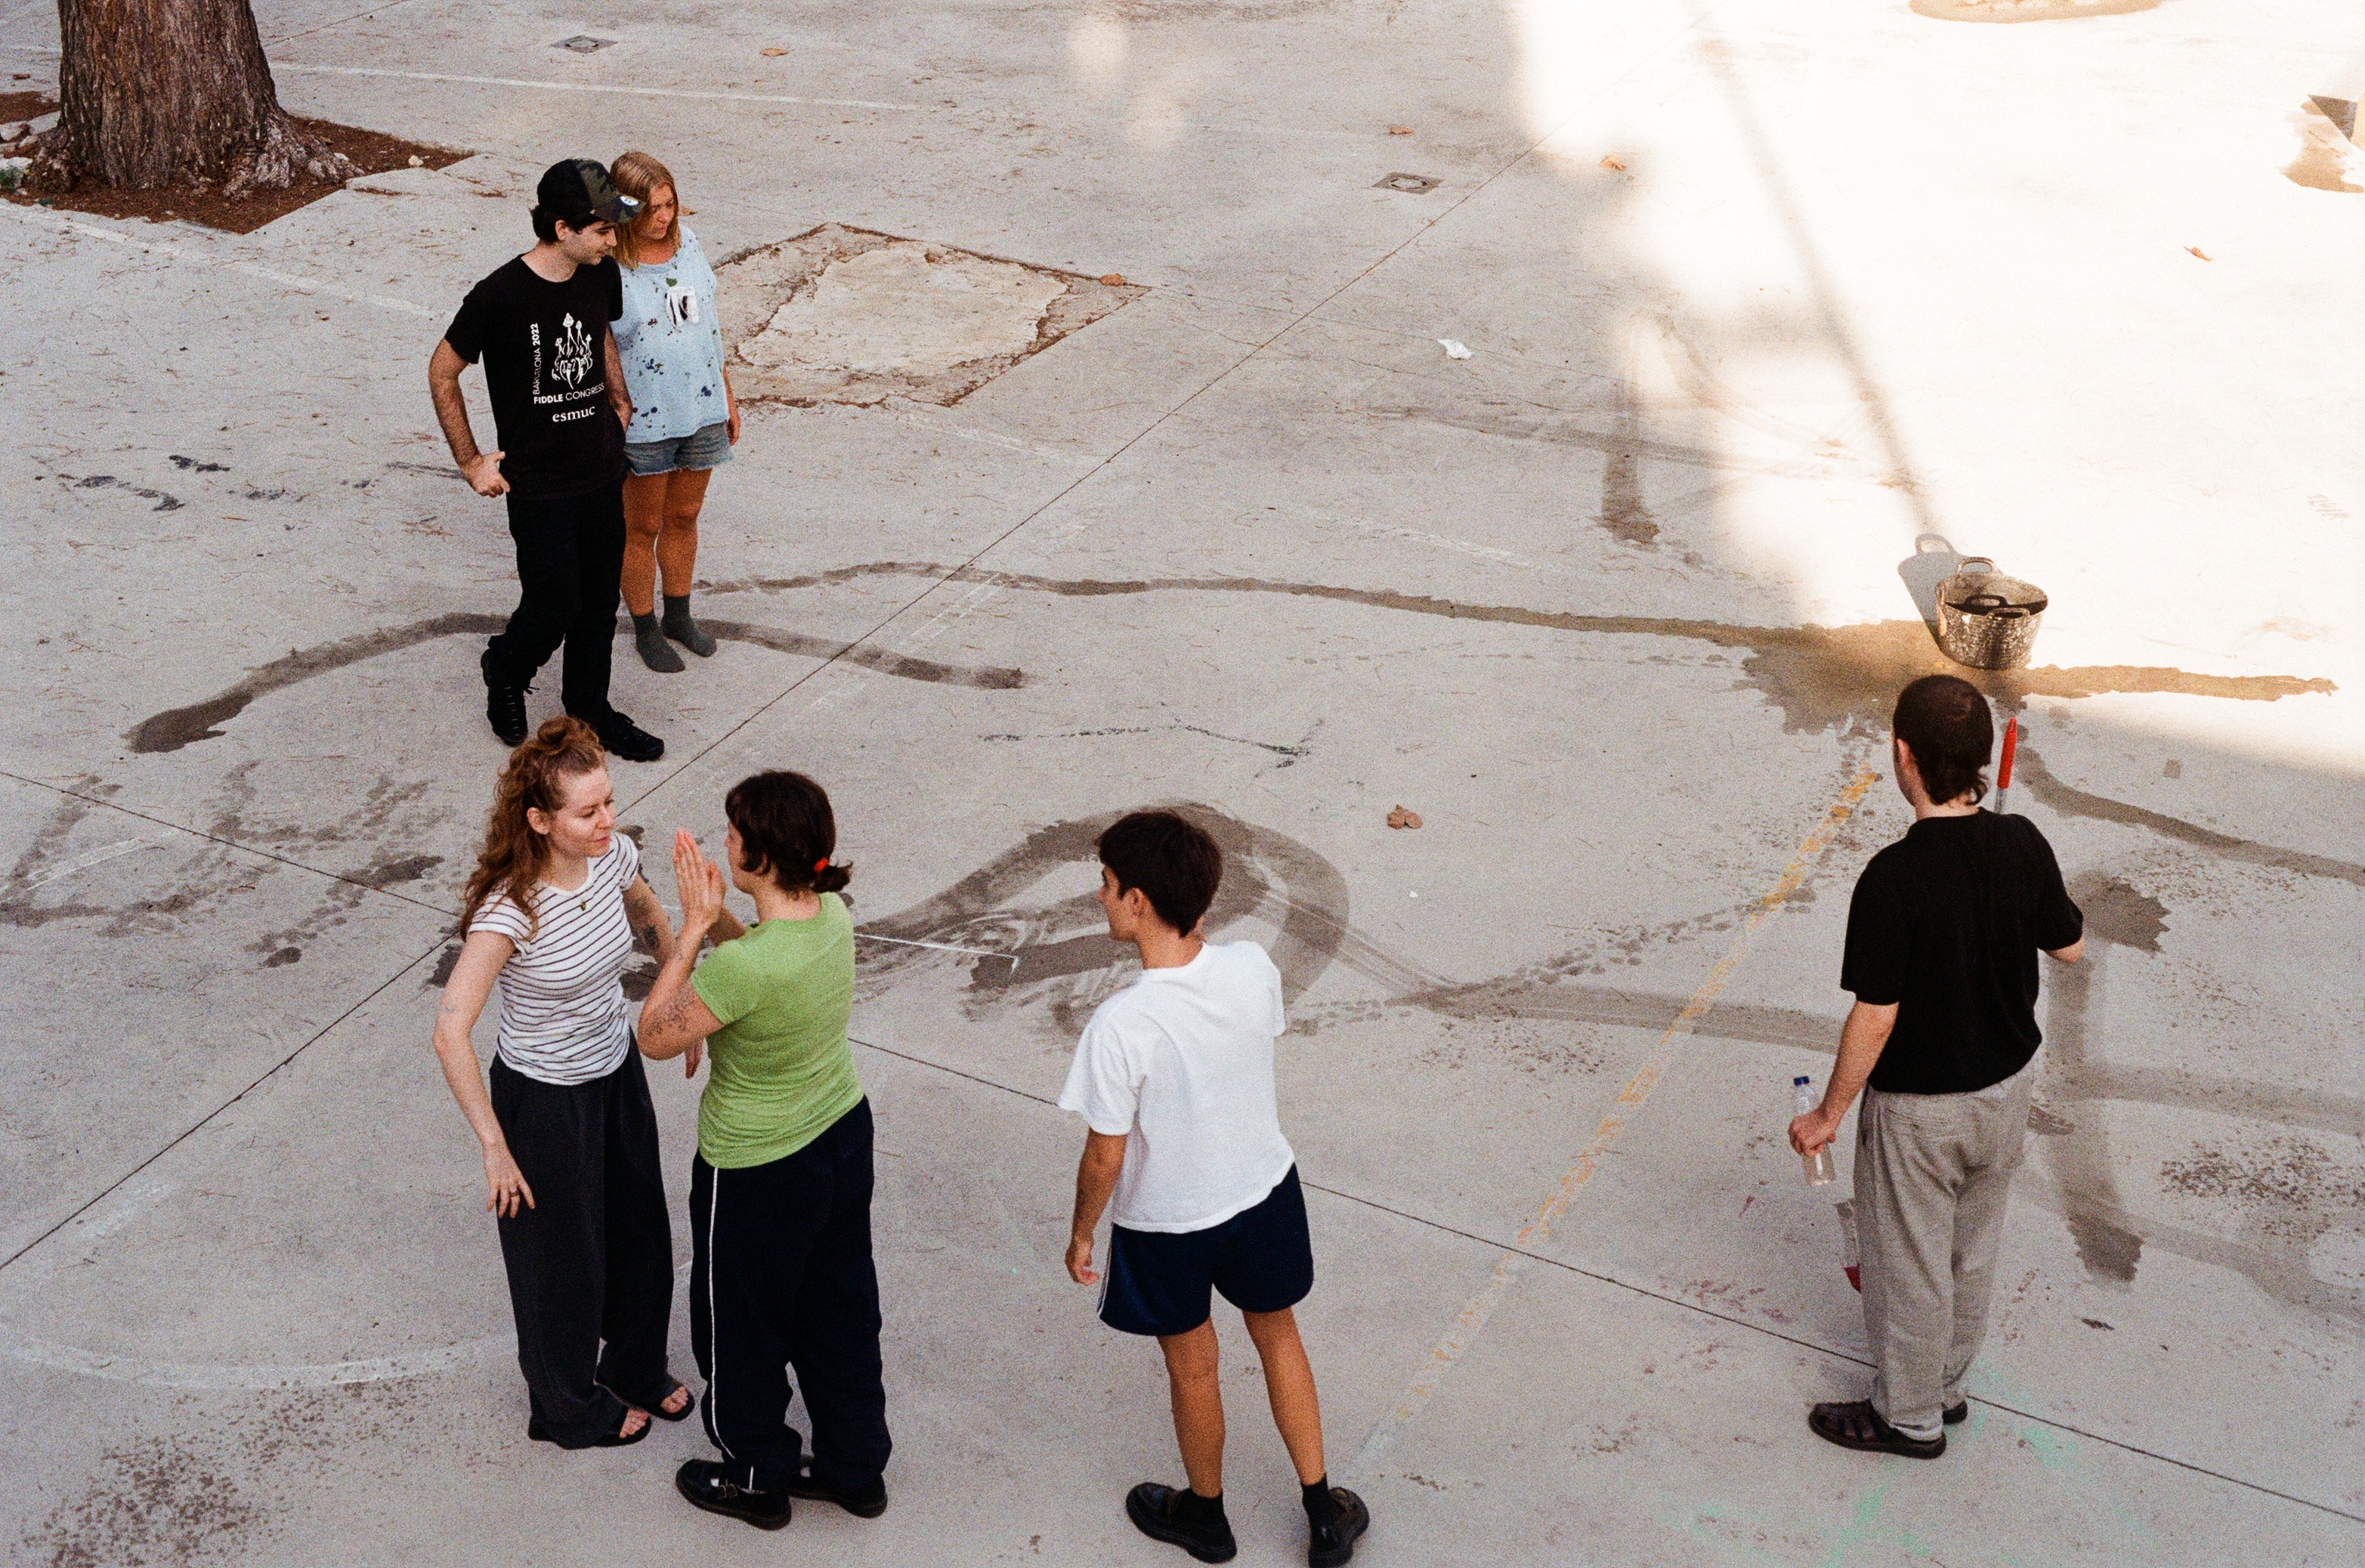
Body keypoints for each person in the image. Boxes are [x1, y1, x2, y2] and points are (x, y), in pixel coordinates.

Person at [1060, 811, 1369, 1568]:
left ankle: (1206, 1516)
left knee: (1193, 1364)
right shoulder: (1252, 968)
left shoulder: (1121, 1024)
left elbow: (1104, 1155)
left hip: (1168, 1223)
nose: (1099, 895)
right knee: (1278, 1334)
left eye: (1106, 883)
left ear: (1138, 901)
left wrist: (1081, 1231)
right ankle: (1323, 1509)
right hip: (1262, 1192)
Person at [1789, 676, 2085, 1458]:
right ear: (1984, 760)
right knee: (1969, 1250)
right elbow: (2070, 945)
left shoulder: (1891, 878)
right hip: (2007, 1091)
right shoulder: (2022, 843)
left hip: (1922, 1112)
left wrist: (1827, 1114)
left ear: (1904, 756)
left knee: (1910, 1264)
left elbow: (1876, 1015)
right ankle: (1946, 1385)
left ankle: (1908, 1414)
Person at [635, 772, 892, 1529]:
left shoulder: (742, 970)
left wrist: (692, 927)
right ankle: (855, 1467)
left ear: (761, 856)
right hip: (840, 1135)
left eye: (732, 833)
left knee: (740, 1327)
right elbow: (762, 960)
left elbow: (655, 1034)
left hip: (756, 1169)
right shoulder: (831, 915)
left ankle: (754, 1476)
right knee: (839, 1309)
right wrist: (721, 916)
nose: (724, 842)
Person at [430, 716, 693, 1448]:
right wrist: (494, 1144)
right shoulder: (509, 909)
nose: (606, 820)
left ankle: (634, 1364)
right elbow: (449, 1031)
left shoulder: (612, 855)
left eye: (608, 802)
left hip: (614, 1069)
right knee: (560, 1262)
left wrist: (676, 991)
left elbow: (645, 910)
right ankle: (566, 1406)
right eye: (587, 812)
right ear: (540, 820)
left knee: (640, 1232)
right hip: (542, 1097)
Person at [428, 157, 665, 763]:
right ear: (563, 229)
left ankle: (589, 709)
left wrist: (619, 400)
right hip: (540, 486)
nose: (613, 241)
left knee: (598, 604)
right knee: (554, 604)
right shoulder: (499, 295)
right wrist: (471, 461)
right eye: (603, 230)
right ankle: (505, 666)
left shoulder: (598, 273)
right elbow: (443, 371)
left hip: (601, 470)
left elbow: (600, 332)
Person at [607, 150, 739, 674]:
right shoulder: (609, 266)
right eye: (651, 209)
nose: (663, 217)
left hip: (701, 407)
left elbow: (709, 326)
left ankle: (679, 616)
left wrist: (726, 394)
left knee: (684, 516)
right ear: (626, 210)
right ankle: (645, 627)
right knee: (642, 525)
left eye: (669, 204)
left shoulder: (690, 247)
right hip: (645, 419)